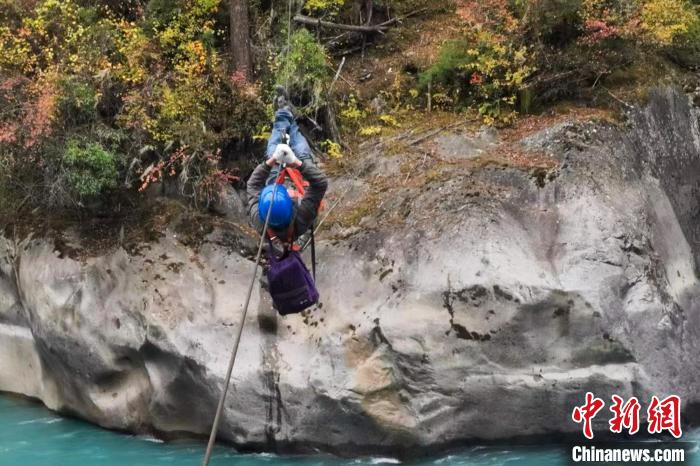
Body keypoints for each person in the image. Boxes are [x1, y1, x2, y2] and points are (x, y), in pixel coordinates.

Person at [246, 88, 328, 247]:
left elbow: (252, 184)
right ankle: (289, 116)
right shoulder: (301, 218)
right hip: (301, 189)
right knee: (302, 153)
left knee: (274, 151)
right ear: (292, 206)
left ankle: (283, 114)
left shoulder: (261, 221)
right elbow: (320, 183)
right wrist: (296, 162)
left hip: (277, 184)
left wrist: (273, 160)